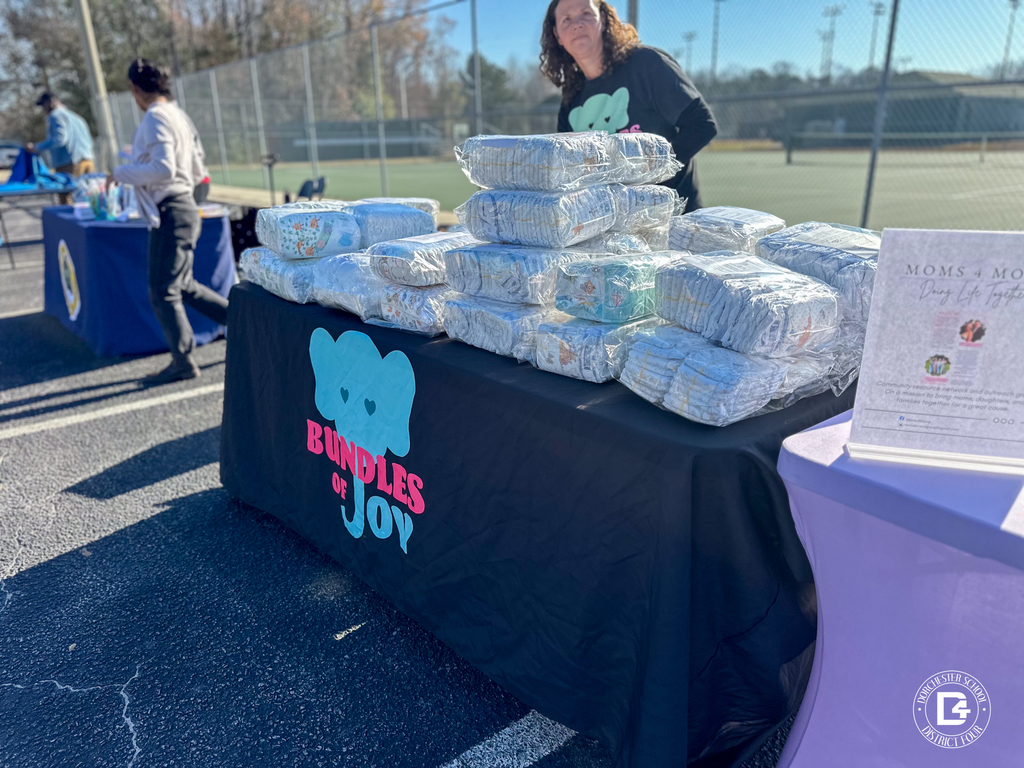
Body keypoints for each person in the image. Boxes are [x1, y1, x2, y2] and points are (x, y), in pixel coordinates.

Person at [110, 59, 229, 384]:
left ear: (135, 90)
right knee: (183, 285)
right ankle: (242, 321)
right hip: (185, 205)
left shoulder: (155, 116)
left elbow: (165, 169)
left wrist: (120, 172)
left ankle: (182, 361)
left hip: (171, 209)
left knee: (163, 291)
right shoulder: (177, 114)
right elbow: (191, 166)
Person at [541, 0, 717, 212]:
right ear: (557, 35)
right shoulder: (571, 100)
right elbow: (571, 170)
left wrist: (648, 176)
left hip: (674, 220)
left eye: (586, 13)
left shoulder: (646, 65)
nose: (577, 24)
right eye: (566, 19)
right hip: (610, 226)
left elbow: (702, 125)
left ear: (603, 20)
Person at [27, 93, 95, 203]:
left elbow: (59, 139)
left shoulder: (55, 116)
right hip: (87, 160)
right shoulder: (76, 117)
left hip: (69, 164)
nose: (43, 109)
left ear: (52, 101)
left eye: (43, 105)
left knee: (69, 201)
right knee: (89, 198)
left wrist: (36, 147)